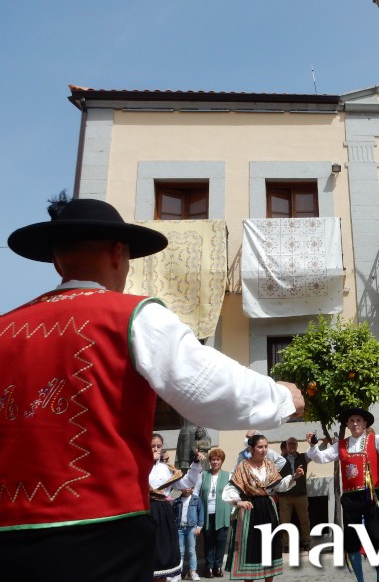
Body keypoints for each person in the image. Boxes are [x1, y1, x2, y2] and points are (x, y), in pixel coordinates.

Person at [0, 195, 304, 582]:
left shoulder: (5, 328)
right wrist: (282, 398)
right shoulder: (131, 315)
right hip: (101, 535)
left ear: (57, 261)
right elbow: (206, 386)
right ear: (118, 252)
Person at [306, 408, 379, 582]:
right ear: (347, 425)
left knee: (374, 536)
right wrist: (313, 445)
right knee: (352, 540)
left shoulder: (376, 439)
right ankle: (360, 580)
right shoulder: (341, 445)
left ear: (365, 423)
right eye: (351, 421)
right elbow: (321, 458)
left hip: (370, 495)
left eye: (358, 420)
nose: (355, 423)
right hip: (350, 498)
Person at [222, 434, 303, 581]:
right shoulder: (242, 467)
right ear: (252, 449)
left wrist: (294, 477)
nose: (264, 450)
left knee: (268, 548)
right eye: (260, 447)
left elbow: (279, 485)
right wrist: (238, 502)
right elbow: (231, 488)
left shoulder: (270, 465)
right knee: (250, 547)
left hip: (267, 509)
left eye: (266, 446)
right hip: (249, 510)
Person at [150, 433, 205, 582]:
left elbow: (187, 482)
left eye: (159, 446)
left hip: (163, 511)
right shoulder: (139, 466)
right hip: (145, 510)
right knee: (148, 550)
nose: (156, 449)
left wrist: (195, 462)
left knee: (163, 549)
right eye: (152, 446)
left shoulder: (167, 469)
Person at [197, 448, 232, 578]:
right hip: (207, 514)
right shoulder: (203, 474)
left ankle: (218, 567)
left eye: (218, 459)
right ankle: (209, 567)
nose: (215, 462)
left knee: (221, 541)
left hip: (223, 514)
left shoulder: (228, 476)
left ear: (222, 461)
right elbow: (197, 492)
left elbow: (232, 494)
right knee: (208, 542)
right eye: (213, 459)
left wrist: (233, 511)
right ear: (210, 461)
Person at [277, 436, 312, 552]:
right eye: (290, 444)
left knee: (304, 519)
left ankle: (306, 541)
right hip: (285, 495)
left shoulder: (303, 457)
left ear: (297, 445)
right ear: (286, 446)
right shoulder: (280, 460)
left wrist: (322, 444)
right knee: (284, 521)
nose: (292, 445)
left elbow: (315, 454)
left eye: (294, 443)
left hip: (300, 494)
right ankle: (286, 544)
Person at [173, 485, 205, 582]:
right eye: (184, 487)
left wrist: (199, 526)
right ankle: (178, 573)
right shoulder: (177, 500)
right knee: (180, 551)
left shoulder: (196, 499)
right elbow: (173, 514)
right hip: (179, 528)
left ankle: (193, 572)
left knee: (191, 551)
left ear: (192, 488)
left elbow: (201, 512)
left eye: (189, 487)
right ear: (180, 488)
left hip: (191, 527)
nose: (187, 489)